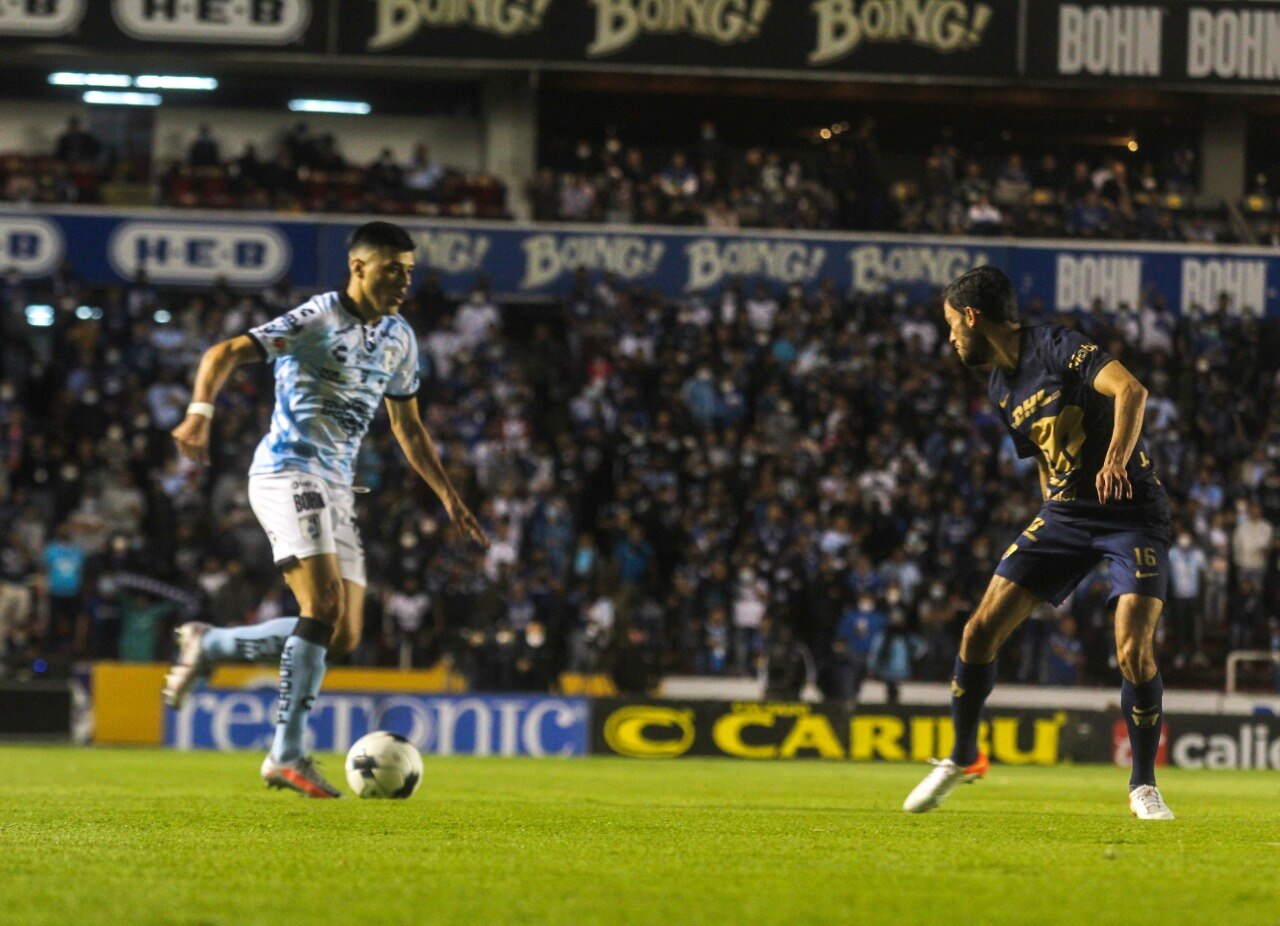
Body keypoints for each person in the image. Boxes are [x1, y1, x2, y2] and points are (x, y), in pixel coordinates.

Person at [163, 221, 488, 798]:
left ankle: (210, 646)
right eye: (393, 269)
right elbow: (226, 351)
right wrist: (199, 413)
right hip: (287, 471)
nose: (403, 282)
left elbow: (408, 428)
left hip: (339, 487)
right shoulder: (318, 318)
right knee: (324, 604)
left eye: (409, 272)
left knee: (341, 636)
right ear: (359, 267)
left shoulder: (399, 337)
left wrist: (448, 495)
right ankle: (285, 754)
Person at [904, 266, 1175, 820]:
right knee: (978, 631)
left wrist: (1116, 459)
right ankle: (963, 756)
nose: (950, 338)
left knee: (1133, 651)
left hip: (1131, 514)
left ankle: (1143, 784)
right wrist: (1050, 515)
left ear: (973, 318)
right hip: (1065, 517)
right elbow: (1043, 459)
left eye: (953, 325)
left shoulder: (1056, 347)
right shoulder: (1001, 387)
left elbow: (1130, 389)